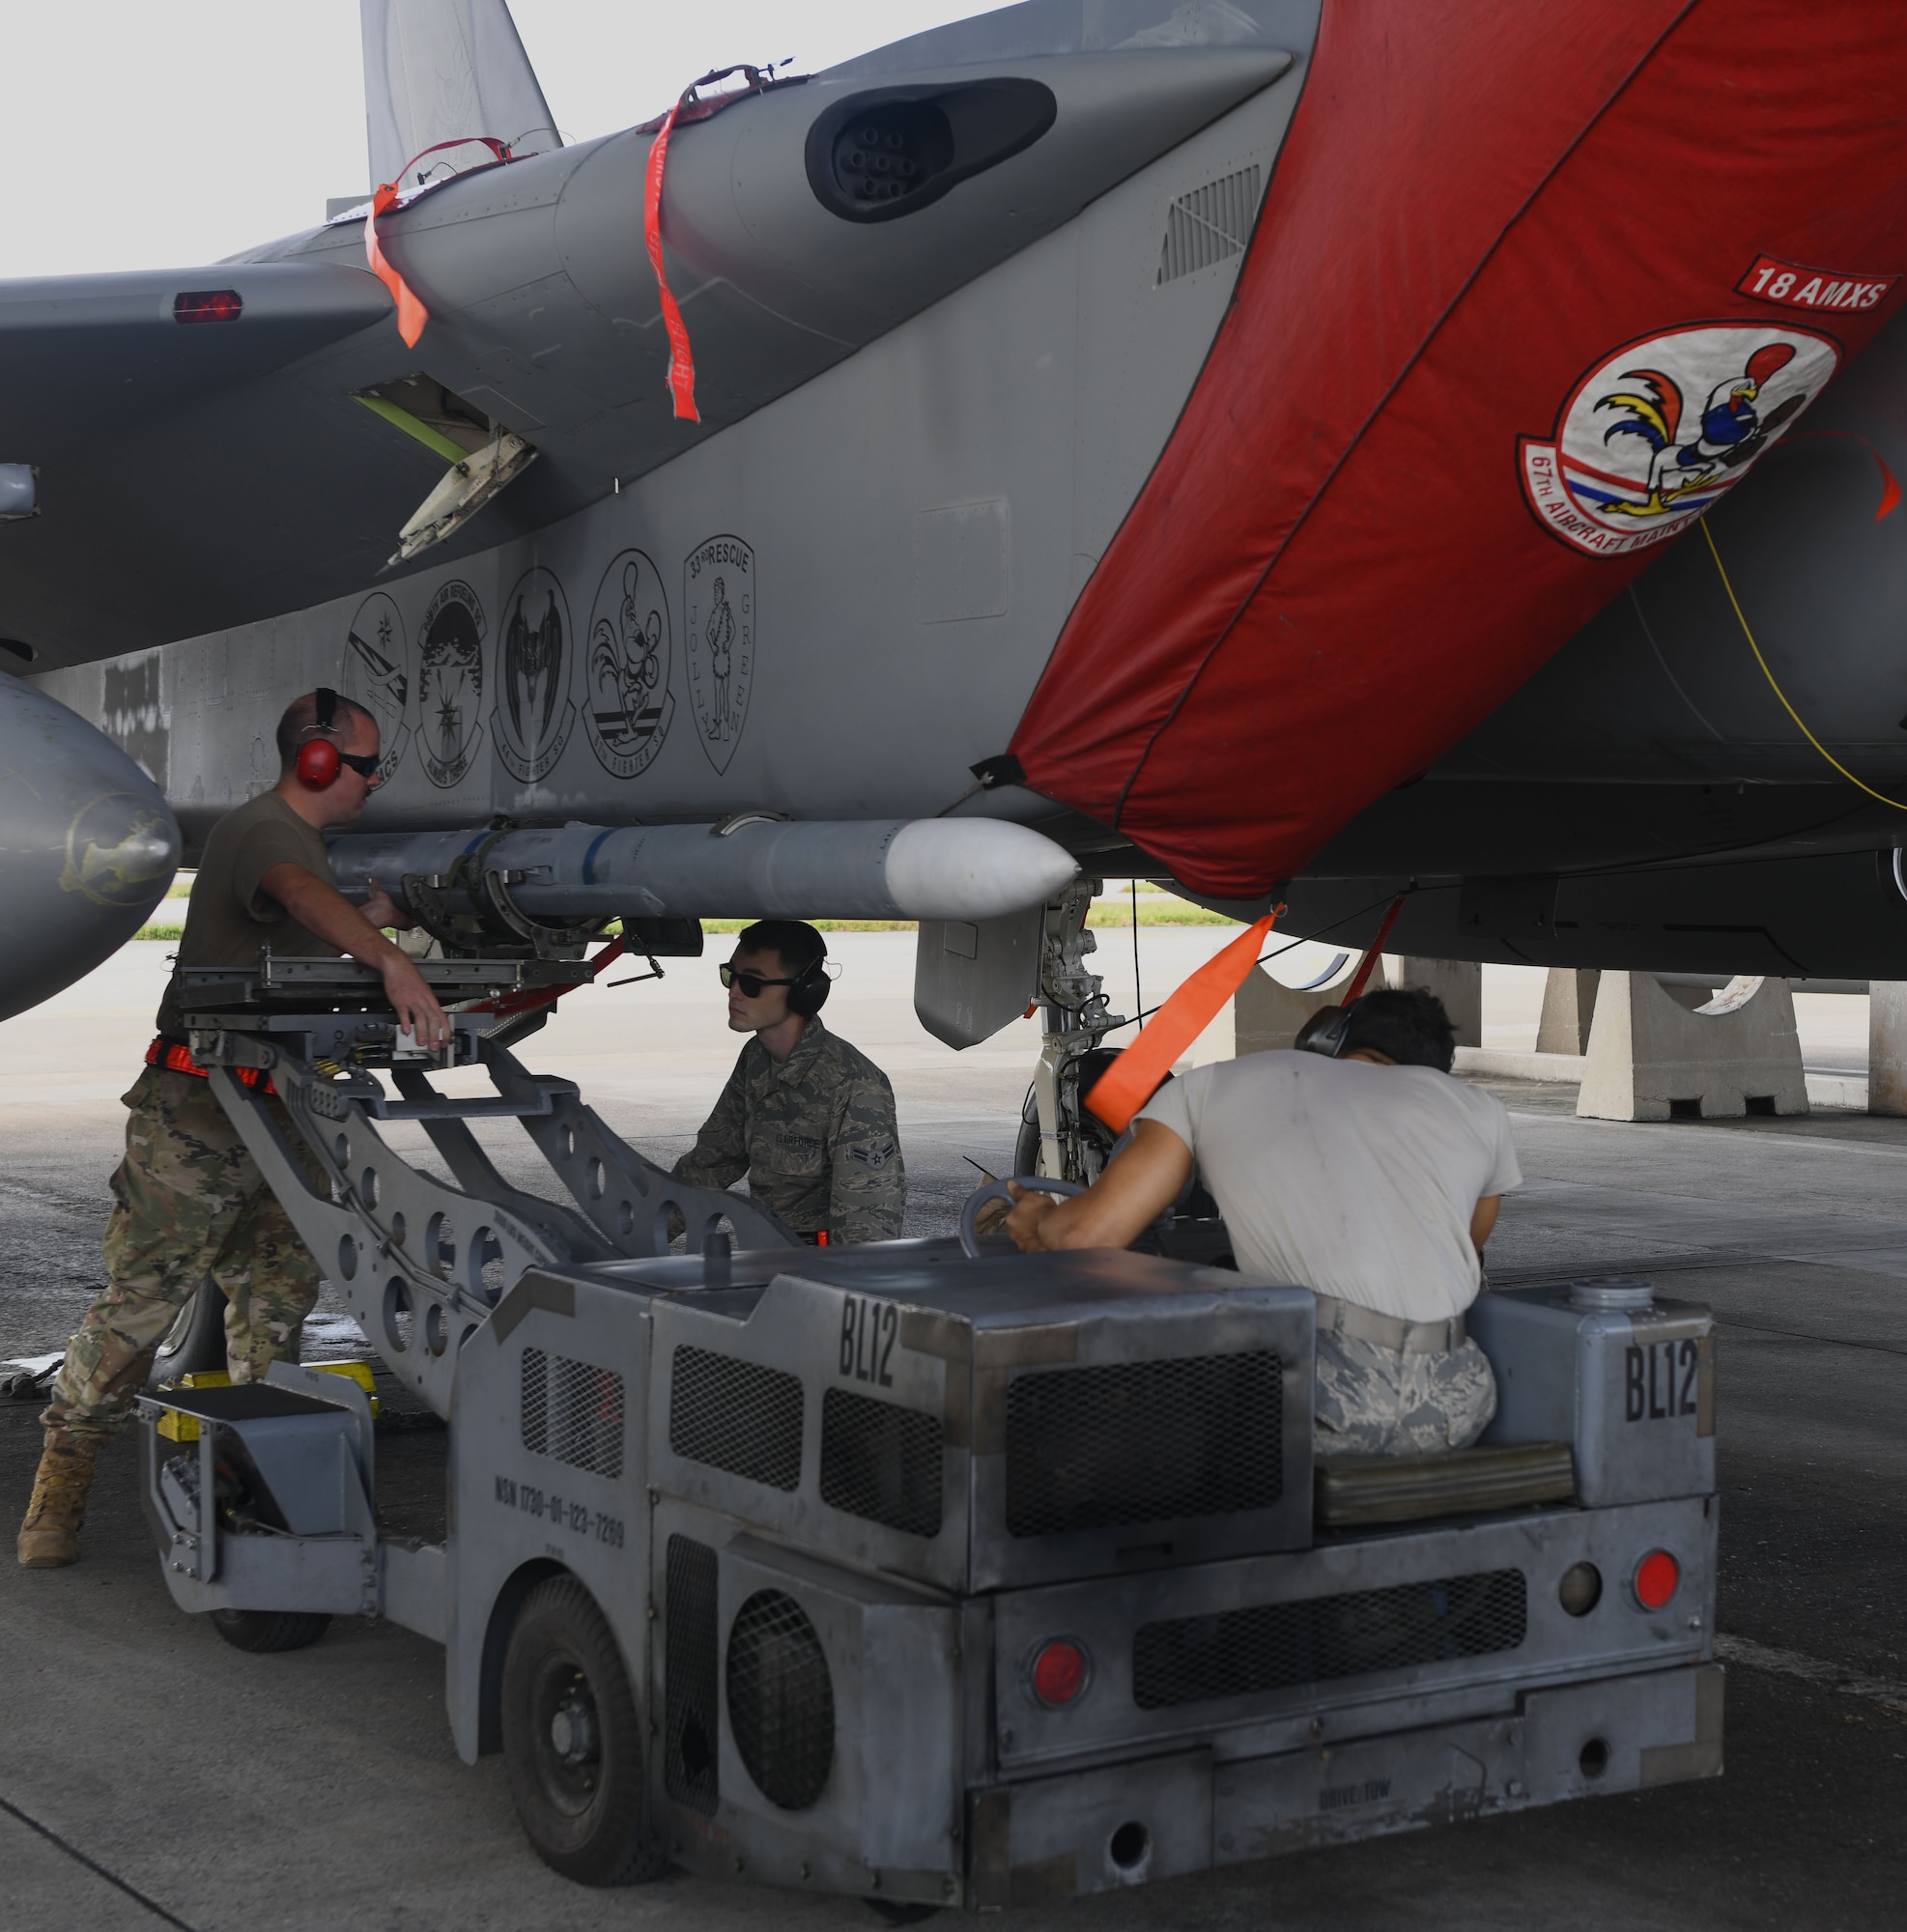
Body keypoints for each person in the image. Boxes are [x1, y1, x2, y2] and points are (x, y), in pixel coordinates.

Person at [17, 689, 450, 1568]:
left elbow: (283, 941)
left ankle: (253, 1489)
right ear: (321, 762)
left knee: (275, 1317)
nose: (375, 783)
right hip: (198, 1121)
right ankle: (57, 1494)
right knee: (141, 1307)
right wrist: (391, 959)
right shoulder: (267, 833)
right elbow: (291, 894)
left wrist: (372, 925)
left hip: (282, 1118)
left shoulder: (296, 843)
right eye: (369, 766)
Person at [1003, 988, 1520, 1459]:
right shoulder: (1481, 1111)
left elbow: (1087, 1238)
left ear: (1328, 1037)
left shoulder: (1212, 1086)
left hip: (1323, 1394)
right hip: (1461, 1396)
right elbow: (1466, 1245)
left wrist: (1038, 1219)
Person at [673, 920, 904, 1244]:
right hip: (766, 1257)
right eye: (730, 976)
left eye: (751, 983)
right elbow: (713, 1161)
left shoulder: (854, 1084)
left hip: (818, 1268)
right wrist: (637, 1233)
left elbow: (867, 1224)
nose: (734, 991)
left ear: (803, 992)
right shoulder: (756, 1058)